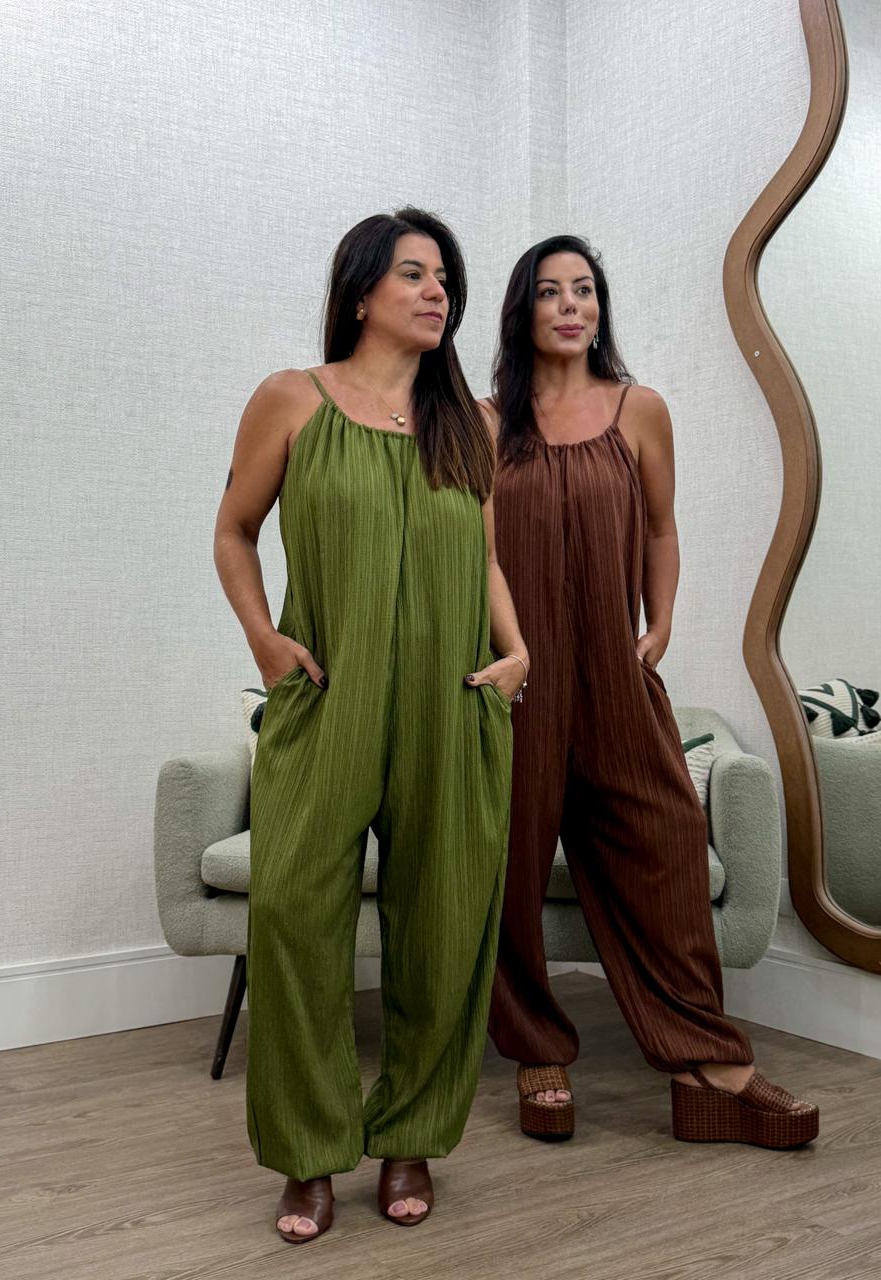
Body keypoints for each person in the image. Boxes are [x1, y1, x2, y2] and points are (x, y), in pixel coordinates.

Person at [213, 208, 528, 1243]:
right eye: (414, 274)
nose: (439, 293)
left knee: (442, 921)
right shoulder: (291, 399)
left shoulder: (471, 425)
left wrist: (517, 651)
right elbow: (233, 529)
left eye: (445, 279)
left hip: (453, 700)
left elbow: (485, 557)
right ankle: (308, 1154)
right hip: (328, 698)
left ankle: (410, 1138)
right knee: (295, 915)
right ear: (359, 293)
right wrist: (266, 641)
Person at [481, 235, 817, 1150]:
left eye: (584, 290)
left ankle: (708, 1064)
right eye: (550, 291)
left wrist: (659, 625)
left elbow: (662, 529)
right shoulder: (484, 421)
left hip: (614, 672)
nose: (570, 305)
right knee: (508, 863)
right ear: (521, 311)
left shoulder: (641, 410)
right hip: (516, 680)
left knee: (667, 841)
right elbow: (470, 552)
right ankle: (537, 1052)